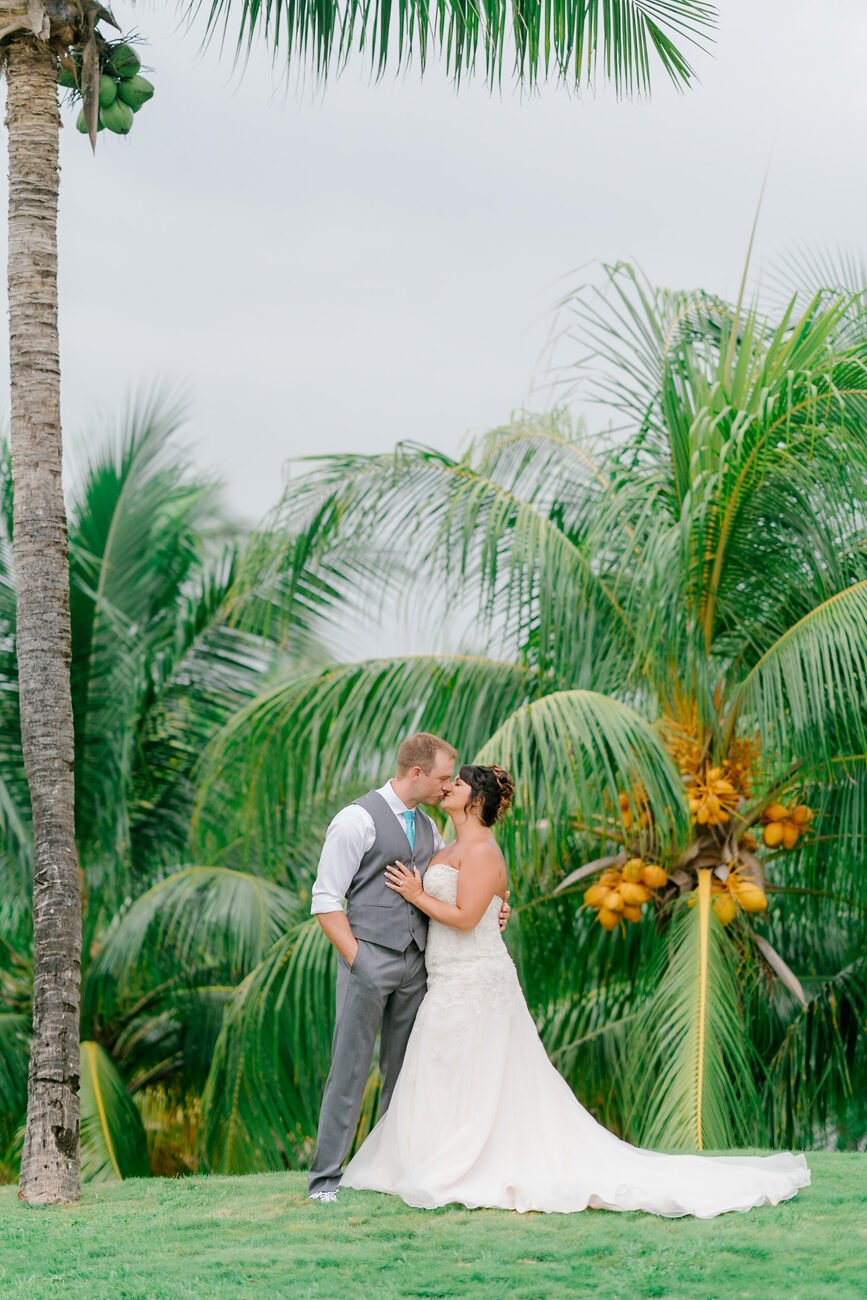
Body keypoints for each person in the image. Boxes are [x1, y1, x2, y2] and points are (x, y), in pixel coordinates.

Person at [341, 763, 811, 1217]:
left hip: (476, 977)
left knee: (476, 1070)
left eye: (457, 784)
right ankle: (429, 1155)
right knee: (443, 1066)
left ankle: (467, 1162)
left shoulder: (483, 850)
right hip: (445, 977)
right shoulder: (445, 846)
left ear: (476, 799)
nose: (448, 788)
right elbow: (479, 907)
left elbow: (464, 919)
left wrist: (418, 895)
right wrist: (469, 905)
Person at [307, 733, 511, 1201]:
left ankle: (389, 1171)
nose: (446, 787)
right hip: (370, 962)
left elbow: (463, 886)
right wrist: (359, 960)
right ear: (416, 773)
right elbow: (325, 899)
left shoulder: (431, 829)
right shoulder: (356, 819)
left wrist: (498, 909)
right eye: (442, 778)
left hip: (420, 968)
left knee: (404, 1074)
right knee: (349, 1070)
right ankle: (324, 1182)